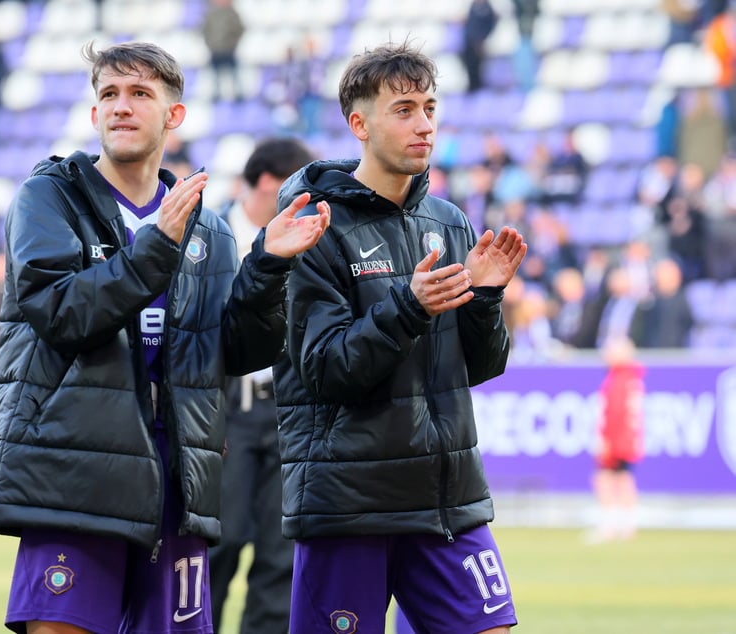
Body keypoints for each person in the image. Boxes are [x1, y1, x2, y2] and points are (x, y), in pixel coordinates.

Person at [0, 40, 329, 634]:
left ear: (174, 114)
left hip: (175, 478)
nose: (121, 106)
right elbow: (59, 313)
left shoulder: (209, 229)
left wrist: (266, 266)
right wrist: (155, 249)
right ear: (93, 115)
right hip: (74, 472)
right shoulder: (50, 199)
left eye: (140, 93)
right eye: (109, 94)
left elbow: (231, 352)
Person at [272, 42, 527, 633]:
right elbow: (326, 369)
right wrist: (408, 306)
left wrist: (486, 299)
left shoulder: (450, 221)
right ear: (359, 124)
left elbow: (479, 367)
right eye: (405, 109)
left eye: (430, 108)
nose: (425, 125)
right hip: (350, 502)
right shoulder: (314, 226)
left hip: (446, 500)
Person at [208, 136, 315, 634]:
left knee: (281, 551)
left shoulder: (311, 239)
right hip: (224, 406)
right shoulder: (210, 235)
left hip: (288, 406)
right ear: (270, 183)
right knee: (216, 542)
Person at [588, 336, 645, 543]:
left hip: (617, 439)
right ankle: (627, 525)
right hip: (628, 439)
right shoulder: (632, 378)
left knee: (605, 479)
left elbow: (615, 413)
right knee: (624, 479)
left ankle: (609, 524)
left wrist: (606, 440)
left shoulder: (619, 380)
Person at [200, 0, 245, 101]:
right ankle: (216, 94)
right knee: (215, 74)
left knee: (234, 73)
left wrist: (233, 43)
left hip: (229, 49)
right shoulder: (210, 14)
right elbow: (204, 30)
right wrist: (210, 44)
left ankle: (238, 94)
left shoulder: (232, 14)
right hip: (215, 50)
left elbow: (239, 29)